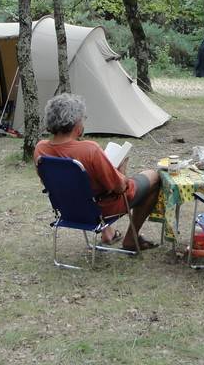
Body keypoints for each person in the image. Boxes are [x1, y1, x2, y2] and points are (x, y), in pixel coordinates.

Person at [34, 93, 162, 252]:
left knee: (89, 188)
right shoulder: (90, 150)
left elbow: (49, 181)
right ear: (75, 122)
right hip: (100, 209)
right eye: (83, 118)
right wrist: (121, 170)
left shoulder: (40, 149)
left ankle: (107, 233)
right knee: (154, 176)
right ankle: (131, 239)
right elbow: (120, 188)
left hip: (68, 208)